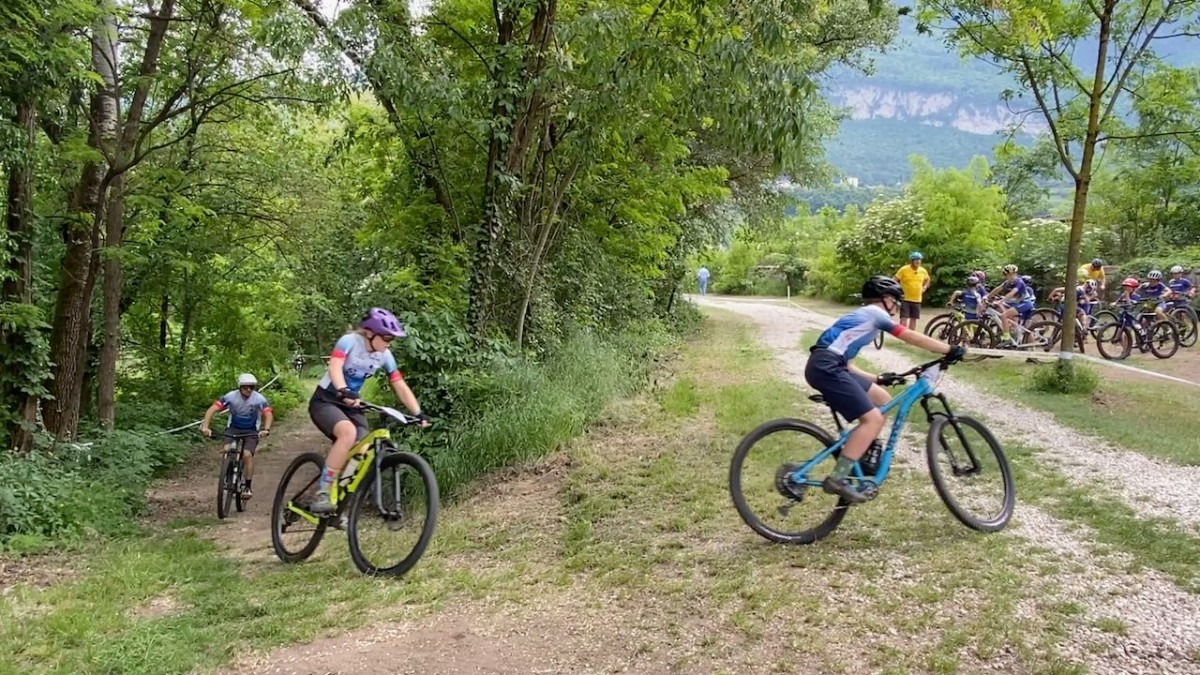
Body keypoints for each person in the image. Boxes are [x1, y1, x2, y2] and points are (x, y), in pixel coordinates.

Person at [805, 276, 965, 504]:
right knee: (873, 420)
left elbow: (848, 365)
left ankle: (864, 452)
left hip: (829, 365)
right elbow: (907, 335)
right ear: (886, 299)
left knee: (881, 399)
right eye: (895, 301)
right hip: (826, 367)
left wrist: (879, 379)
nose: (896, 306)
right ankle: (838, 478)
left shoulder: (863, 319)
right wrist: (948, 349)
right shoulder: (874, 313)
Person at [308, 308, 429, 514]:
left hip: (352, 403)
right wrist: (342, 390)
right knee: (348, 433)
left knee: (364, 449)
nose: (390, 342)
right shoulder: (349, 341)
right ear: (370, 333)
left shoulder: (385, 355)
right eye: (387, 337)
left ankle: (341, 501)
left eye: (392, 338)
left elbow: (399, 384)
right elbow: (335, 366)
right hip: (326, 400)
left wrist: (418, 413)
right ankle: (324, 493)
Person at [201, 373, 273, 499]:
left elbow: (268, 414)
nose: (249, 390)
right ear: (240, 387)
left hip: (251, 430)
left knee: (247, 455)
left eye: (252, 387)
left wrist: (266, 429)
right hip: (233, 428)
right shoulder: (230, 396)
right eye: (245, 387)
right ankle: (228, 475)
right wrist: (205, 427)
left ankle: (247, 486)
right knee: (227, 449)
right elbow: (212, 409)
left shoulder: (259, 399)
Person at [986, 264, 1034, 346]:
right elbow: (998, 289)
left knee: (1004, 315)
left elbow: (1012, 292)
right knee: (1008, 316)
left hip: (1025, 303)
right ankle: (1011, 333)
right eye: (1008, 275)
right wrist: (987, 297)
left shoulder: (1019, 282)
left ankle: (1007, 338)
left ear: (1016, 274)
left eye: (1013, 274)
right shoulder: (1008, 283)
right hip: (1018, 303)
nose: (1011, 276)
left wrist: (1001, 301)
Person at [893, 251, 931, 330]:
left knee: (913, 319)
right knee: (904, 318)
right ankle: (902, 334)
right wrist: (896, 290)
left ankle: (911, 334)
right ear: (912, 261)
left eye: (919, 259)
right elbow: (894, 280)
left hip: (917, 299)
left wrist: (925, 287)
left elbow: (928, 279)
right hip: (905, 298)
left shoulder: (923, 271)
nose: (918, 261)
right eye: (916, 259)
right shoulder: (904, 269)